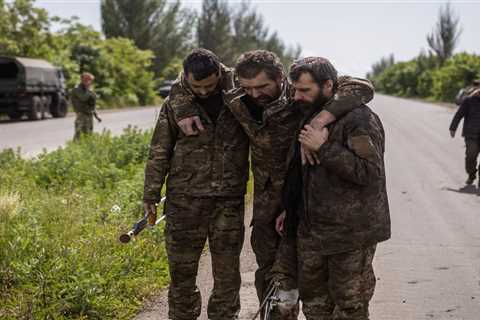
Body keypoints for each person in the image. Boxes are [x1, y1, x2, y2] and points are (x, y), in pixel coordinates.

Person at [168, 50, 374, 319]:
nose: (255, 94)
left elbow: (362, 86)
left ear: (280, 79)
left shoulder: (299, 95)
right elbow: (185, 81)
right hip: (267, 205)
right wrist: (183, 106)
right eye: (248, 87)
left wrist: (321, 119)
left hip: (307, 200)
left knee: (317, 279)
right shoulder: (236, 95)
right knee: (270, 275)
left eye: (263, 86)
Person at [278, 57, 391, 320]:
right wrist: (291, 209)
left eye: (305, 90)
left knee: (350, 307)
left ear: (328, 85)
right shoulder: (307, 112)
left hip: (350, 235)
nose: (297, 96)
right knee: (315, 307)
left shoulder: (358, 119)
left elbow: (369, 173)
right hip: (311, 232)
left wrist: (324, 148)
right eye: (295, 89)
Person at [142, 48, 249, 320]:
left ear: (220, 75)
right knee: (182, 275)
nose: (203, 91)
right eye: (196, 86)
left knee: (227, 275)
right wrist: (150, 194)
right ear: (186, 79)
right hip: (184, 202)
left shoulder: (242, 91)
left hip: (228, 200)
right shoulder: (176, 102)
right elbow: (159, 150)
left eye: (210, 85)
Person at [449, 89, 480, 187]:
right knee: (471, 156)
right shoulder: (469, 101)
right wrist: (453, 128)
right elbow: (459, 115)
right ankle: (471, 174)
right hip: (471, 134)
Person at [70, 72, 101, 140]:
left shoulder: (88, 90)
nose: (89, 82)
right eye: (86, 79)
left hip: (89, 115)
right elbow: (83, 98)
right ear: (82, 79)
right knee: (79, 134)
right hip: (81, 115)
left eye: (90, 80)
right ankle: (73, 149)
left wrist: (96, 115)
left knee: (89, 134)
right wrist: (89, 90)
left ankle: (87, 149)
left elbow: (92, 103)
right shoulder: (77, 89)